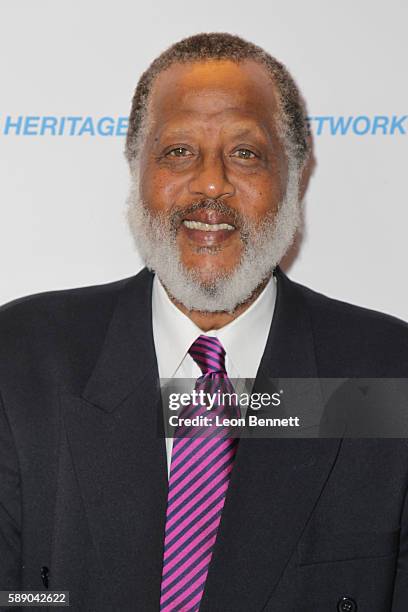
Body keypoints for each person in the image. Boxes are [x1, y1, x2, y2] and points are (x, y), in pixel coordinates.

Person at [1, 32, 408, 612]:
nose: (211, 183)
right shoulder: (23, 359)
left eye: (244, 153)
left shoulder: (390, 376)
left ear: (294, 176)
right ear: (135, 170)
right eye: (178, 152)